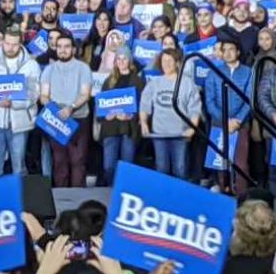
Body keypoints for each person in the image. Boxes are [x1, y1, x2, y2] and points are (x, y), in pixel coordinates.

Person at [0, 25, 41, 178]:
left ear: (20, 44)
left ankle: (19, 200)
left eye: (14, 44)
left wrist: (14, 103)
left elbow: (34, 94)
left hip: (19, 123)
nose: (10, 47)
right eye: (7, 43)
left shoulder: (31, 65)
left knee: (19, 168)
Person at [37, 35, 92, 187]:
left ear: (73, 49)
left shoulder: (83, 68)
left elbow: (85, 94)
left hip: (78, 118)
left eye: (67, 46)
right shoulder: (49, 70)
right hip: (56, 119)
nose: (63, 50)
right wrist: (53, 110)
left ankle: (77, 199)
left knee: (78, 161)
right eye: (59, 46)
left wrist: (71, 107)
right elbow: (43, 95)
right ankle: (61, 199)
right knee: (59, 161)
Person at [140, 49, 201, 180]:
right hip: (159, 134)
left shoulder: (187, 83)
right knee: (162, 169)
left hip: (180, 134)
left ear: (177, 63)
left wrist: (192, 128)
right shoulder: (154, 83)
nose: (166, 64)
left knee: (180, 169)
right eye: (163, 61)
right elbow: (145, 104)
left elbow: (195, 109)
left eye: (169, 61)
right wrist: (144, 123)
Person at [205, 37, 254, 196]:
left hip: (240, 125)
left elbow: (249, 98)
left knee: (240, 163)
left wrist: (237, 120)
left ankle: (241, 197)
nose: (227, 53)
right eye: (224, 50)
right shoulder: (214, 71)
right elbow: (210, 100)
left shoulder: (248, 72)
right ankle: (223, 194)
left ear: (238, 52)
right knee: (221, 163)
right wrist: (225, 120)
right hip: (219, 124)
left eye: (231, 49)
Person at [97, 46, 143, 187]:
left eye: (124, 59)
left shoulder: (138, 81)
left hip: (128, 128)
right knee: (108, 166)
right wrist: (105, 116)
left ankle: (125, 190)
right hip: (110, 128)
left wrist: (130, 116)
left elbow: (143, 105)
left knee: (127, 165)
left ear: (129, 61)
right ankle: (111, 190)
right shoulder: (108, 81)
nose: (121, 62)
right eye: (119, 59)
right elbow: (101, 105)